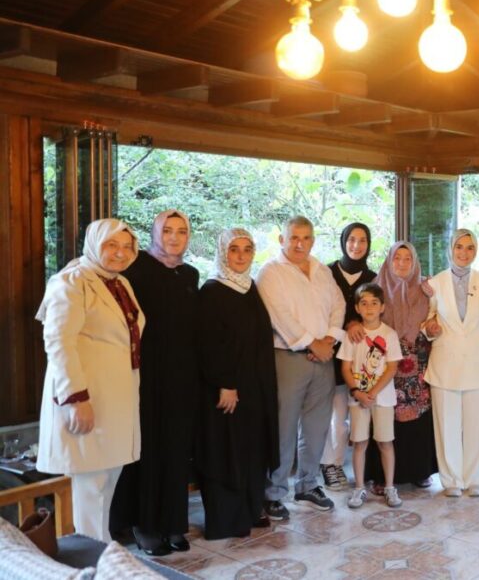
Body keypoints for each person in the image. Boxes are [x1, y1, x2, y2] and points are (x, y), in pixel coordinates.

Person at [36, 219, 144, 542]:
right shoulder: (71, 281)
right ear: (94, 244)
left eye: (126, 246)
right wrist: (75, 399)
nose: (120, 253)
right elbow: (58, 342)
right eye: (111, 245)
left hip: (116, 400)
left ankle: (102, 552)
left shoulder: (120, 283)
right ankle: (93, 557)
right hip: (87, 399)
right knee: (90, 486)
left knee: (107, 482)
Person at [110, 209, 200, 555]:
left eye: (181, 231)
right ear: (154, 233)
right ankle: (144, 524)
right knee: (146, 449)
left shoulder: (189, 274)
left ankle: (173, 522)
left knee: (176, 450)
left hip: (182, 376)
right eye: (167, 230)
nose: (174, 237)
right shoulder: (135, 270)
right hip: (145, 375)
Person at [256, 216, 345, 520]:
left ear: (312, 241)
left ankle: (308, 485)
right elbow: (278, 315)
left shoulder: (321, 270)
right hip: (289, 357)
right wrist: (312, 343)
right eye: (293, 237)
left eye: (306, 238)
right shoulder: (270, 272)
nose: (299, 244)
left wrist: (329, 339)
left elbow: (338, 305)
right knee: (283, 428)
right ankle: (274, 492)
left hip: (323, 358)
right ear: (282, 239)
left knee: (316, 427)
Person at [195, 229, 279, 540]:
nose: (241, 256)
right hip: (227, 389)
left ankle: (250, 510)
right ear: (223, 252)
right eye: (234, 249)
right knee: (226, 451)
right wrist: (226, 383)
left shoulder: (249, 286)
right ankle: (227, 520)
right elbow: (208, 345)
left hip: (254, 388)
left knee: (252, 450)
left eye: (247, 249)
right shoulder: (212, 291)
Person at [424, 229, 479, 497]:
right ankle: (451, 480)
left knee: (477, 425)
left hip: (477, 361)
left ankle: (477, 479)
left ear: (476, 251)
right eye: (459, 247)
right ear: (450, 249)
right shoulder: (435, 282)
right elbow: (427, 319)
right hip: (445, 363)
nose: (464, 253)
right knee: (447, 426)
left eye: (470, 247)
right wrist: (429, 328)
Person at [365, 241, 437, 489]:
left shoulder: (427, 288)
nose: (402, 263)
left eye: (408, 259)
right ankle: (381, 476)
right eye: (397, 258)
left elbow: (437, 317)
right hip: (384, 361)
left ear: (414, 262)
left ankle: (419, 471)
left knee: (417, 417)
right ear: (389, 261)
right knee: (384, 417)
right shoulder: (376, 288)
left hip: (417, 364)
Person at [321, 222, 376, 491]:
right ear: (343, 241)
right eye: (352, 239)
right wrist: (346, 326)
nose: (356, 245)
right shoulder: (326, 273)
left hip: (360, 360)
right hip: (329, 354)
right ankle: (327, 464)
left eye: (362, 240)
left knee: (349, 420)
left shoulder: (373, 277)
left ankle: (343, 464)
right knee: (329, 417)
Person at [339, 283, 403, 509]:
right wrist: (358, 392)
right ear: (357, 308)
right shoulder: (352, 336)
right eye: (364, 303)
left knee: (385, 442)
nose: (369, 308)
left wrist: (373, 393)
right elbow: (345, 367)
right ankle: (358, 487)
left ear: (382, 307)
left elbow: (392, 367)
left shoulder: (389, 334)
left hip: (382, 399)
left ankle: (389, 487)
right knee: (359, 443)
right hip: (358, 399)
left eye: (374, 303)